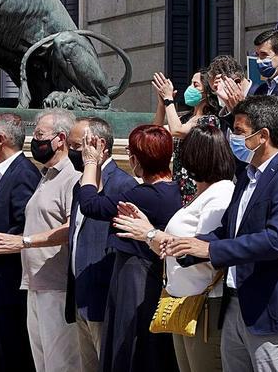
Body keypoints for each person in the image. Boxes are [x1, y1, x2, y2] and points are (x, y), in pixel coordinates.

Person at [163, 95, 278, 372]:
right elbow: (229, 230)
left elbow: (275, 239)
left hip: (271, 310)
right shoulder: (246, 176)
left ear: (263, 136)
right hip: (235, 305)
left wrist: (210, 250)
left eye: (240, 132)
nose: (233, 138)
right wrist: (189, 247)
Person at [0, 110, 84, 372]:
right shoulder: (45, 176)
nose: (33, 140)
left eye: (39, 134)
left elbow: (71, 227)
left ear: (60, 139)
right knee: (40, 363)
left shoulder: (72, 176)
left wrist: (21, 242)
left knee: (60, 364)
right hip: (34, 283)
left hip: (56, 285)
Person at [112, 125, 236, 372]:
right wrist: (148, 229)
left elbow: (200, 251)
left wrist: (148, 234)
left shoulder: (221, 193)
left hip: (203, 305)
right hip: (181, 301)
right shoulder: (202, 194)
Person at [76, 125, 180, 371]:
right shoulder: (174, 191)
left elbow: (91, 204)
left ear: (135, 159)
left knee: (132, 350)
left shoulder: (144, 195)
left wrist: (91, 162)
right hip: (153, 279)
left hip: (137, 281)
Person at [64, 117, 138, 370]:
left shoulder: (123, 184)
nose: (70, 152)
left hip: (104, 296)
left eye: (76, 146)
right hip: (80, 295)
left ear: (100, 144)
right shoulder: (81, 182)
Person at [0, 113, 38, 372]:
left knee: (12, 357)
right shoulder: (3, 173)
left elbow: (23, 228)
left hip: (9, 285)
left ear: (0, 139)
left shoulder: (23, 173)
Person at [152, 71, 222, 204]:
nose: (190, 88)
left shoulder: (210, 120)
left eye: (195, 85)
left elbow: (177, 130)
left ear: (206, 92)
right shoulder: (185, 118)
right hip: (177, 186)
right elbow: (155, 133)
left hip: (196, 188)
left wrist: (169, 100)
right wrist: (162, 105)